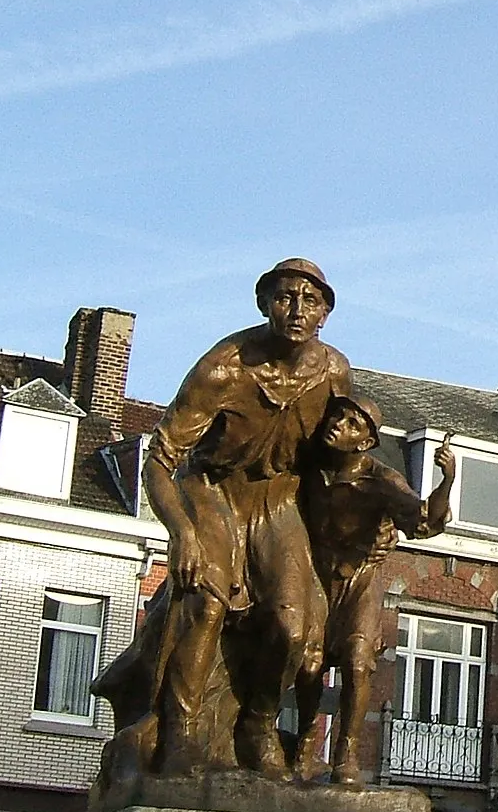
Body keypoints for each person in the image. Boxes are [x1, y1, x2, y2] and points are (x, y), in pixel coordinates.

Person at [141, 258, 352, 778]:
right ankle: (180, 734)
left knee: (292, 625)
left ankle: (258, 724)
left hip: (279, 499)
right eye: (284, 297)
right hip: (212, 489)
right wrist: (182, 531)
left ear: (325, 313)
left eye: (310, 301)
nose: (296, 310)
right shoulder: (224, 367)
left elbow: (344, 454)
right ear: (264, 304)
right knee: (208, 605)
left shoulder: (334, 372)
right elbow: (159, 460)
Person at [295, 395, 456, 785]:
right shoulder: (308, 468)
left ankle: (346, 753)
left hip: (362, 579)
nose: (339, 425)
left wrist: (447, 480)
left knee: (356, 659)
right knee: (308, 661)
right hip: (317, 576)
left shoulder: (382, 481)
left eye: (353, 424)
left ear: (365, 442)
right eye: (338, 416)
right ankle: (303, 743)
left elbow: (424, 522)